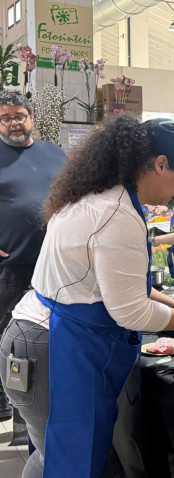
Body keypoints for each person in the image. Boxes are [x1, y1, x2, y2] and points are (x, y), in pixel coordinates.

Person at [0, 116, 174, 478]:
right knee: (67, 459)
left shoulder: (101, 197)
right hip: (53, 346)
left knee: (55, 454)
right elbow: (130, 311)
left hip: (36, 337)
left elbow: (118, 282)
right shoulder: (115, 212)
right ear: (159, 164)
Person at [0, 90, 66, 421]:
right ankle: (2, 399)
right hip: (9, 263)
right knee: (5, 332)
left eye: (19, 116)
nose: (14, 123)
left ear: (31, 119)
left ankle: (36, 397)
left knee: (44, 332)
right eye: (6, 117)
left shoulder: (54, 153)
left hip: (54, 263)